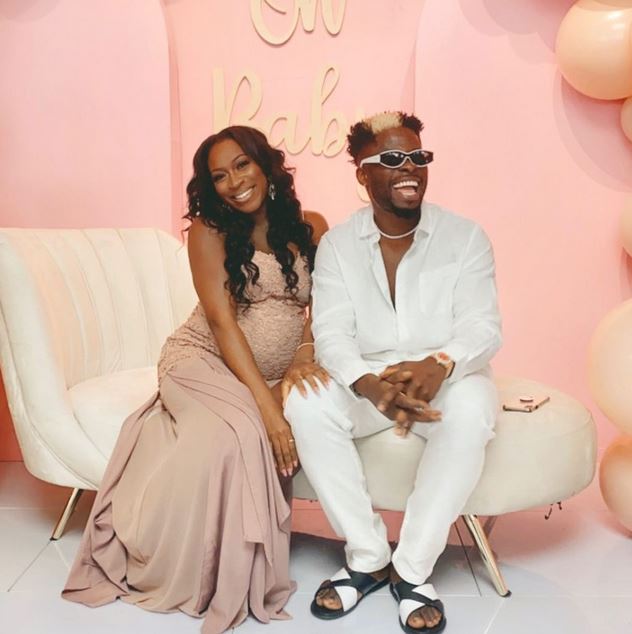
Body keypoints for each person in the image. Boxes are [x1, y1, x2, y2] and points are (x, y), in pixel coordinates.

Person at [62, 125, 329, 634]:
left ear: (266, 165)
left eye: (242, 165)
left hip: (267, 371)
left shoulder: (311, 226)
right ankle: (193, 571)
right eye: (219, 176)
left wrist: (302, 356)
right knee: (243, 433)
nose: (234, 182)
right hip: (202, 359)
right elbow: (222, 323)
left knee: (247, 429)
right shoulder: (209, 232)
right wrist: (269, 409)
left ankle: (233, 566)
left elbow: (326, 305)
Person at [283, 111, 502, 634]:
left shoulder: (465, 237)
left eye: (418, 157)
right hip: (367, 379)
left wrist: (440, 363)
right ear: (363, 174)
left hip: (445, 375)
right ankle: (367, 556)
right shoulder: (338, 245)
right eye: (393, 158)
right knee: (305, 404)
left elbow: (484, 326)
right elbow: (332, 332)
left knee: (471, 413)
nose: (410, 168)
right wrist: (368, 385)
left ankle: (412, 570)